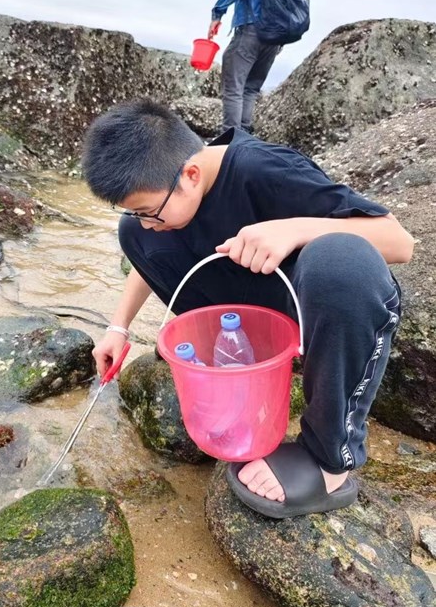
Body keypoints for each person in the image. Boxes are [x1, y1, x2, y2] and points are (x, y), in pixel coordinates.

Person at [81, 99, 414, 519]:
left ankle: (331, 461)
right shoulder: (159, 210)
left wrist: (293, 229)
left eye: (150, 211)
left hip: (310, 312)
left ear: (191, 174)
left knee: (341, 259)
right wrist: (119, 327)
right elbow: (149, 255)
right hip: (245, 319)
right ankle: (232, 363)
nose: (148, 222)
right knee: (133, 234)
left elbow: (399, 243)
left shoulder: (265, 170)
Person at [208, 0, 305, 134]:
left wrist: (218, 13)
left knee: (233, 88)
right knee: (251, 89)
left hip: (250, 29)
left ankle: (229, 144)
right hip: (275, 37)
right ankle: (243, 140)